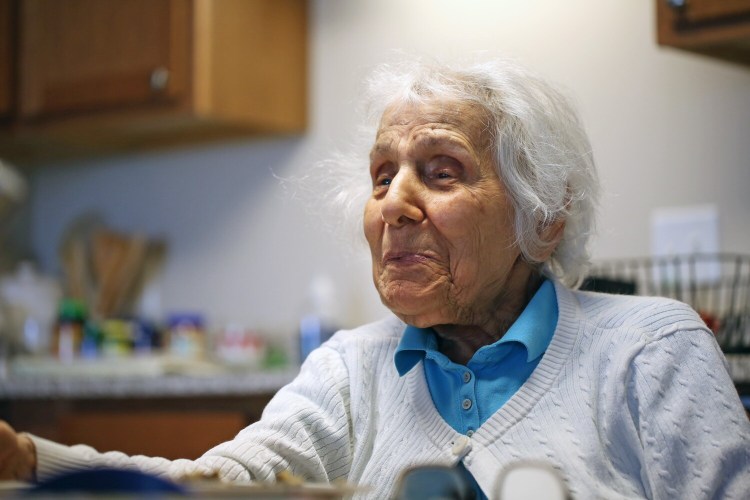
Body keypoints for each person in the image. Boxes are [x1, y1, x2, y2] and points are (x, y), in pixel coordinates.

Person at [1, 58, 748, 499]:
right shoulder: (349, 369)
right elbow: (217, 486)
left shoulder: (651, 351)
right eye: (382, 176)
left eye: (441, 171)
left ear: (545, 214)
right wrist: (31, 461)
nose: (392, 204)